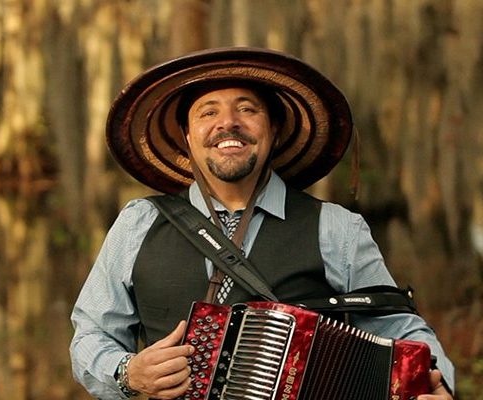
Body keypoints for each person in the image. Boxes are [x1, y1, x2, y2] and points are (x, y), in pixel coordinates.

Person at [70, 47, 455, 399]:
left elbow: (402, 330)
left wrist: (440, 386)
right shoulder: (138, 223)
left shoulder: (336, 228)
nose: (228, 123)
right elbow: (91, 334)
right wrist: (127, 372)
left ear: (273, 130)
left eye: (247, 110)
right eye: (208, 112)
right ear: (187, 136)